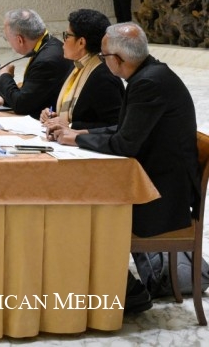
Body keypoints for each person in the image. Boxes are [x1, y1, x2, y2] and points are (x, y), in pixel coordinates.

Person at [48, 23, 201, 312]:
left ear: (119, 59)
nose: (103, 61)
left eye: (104, 56)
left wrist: (77, 141)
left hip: (162, 195)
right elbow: (125, 130)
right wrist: (79, 132)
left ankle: (129, 292)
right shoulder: (148, 74)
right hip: (156, 179)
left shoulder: (149, 83)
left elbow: (125, 144)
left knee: (82, 208)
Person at [40, 9, 124, 130]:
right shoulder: (76, 66)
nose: (63, 42)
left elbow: (115, 125)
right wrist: (51, 114)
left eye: (66, 36)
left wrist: (70, 126)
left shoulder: (103, 75)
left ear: (81, 42)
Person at [0, 8, 71, 117]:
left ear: (19, 40)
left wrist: (5, 76)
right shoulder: (49, 45)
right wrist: (4, 99)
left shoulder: (46, 60)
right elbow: (33, 95)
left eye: (8, 39)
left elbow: (21, 105)